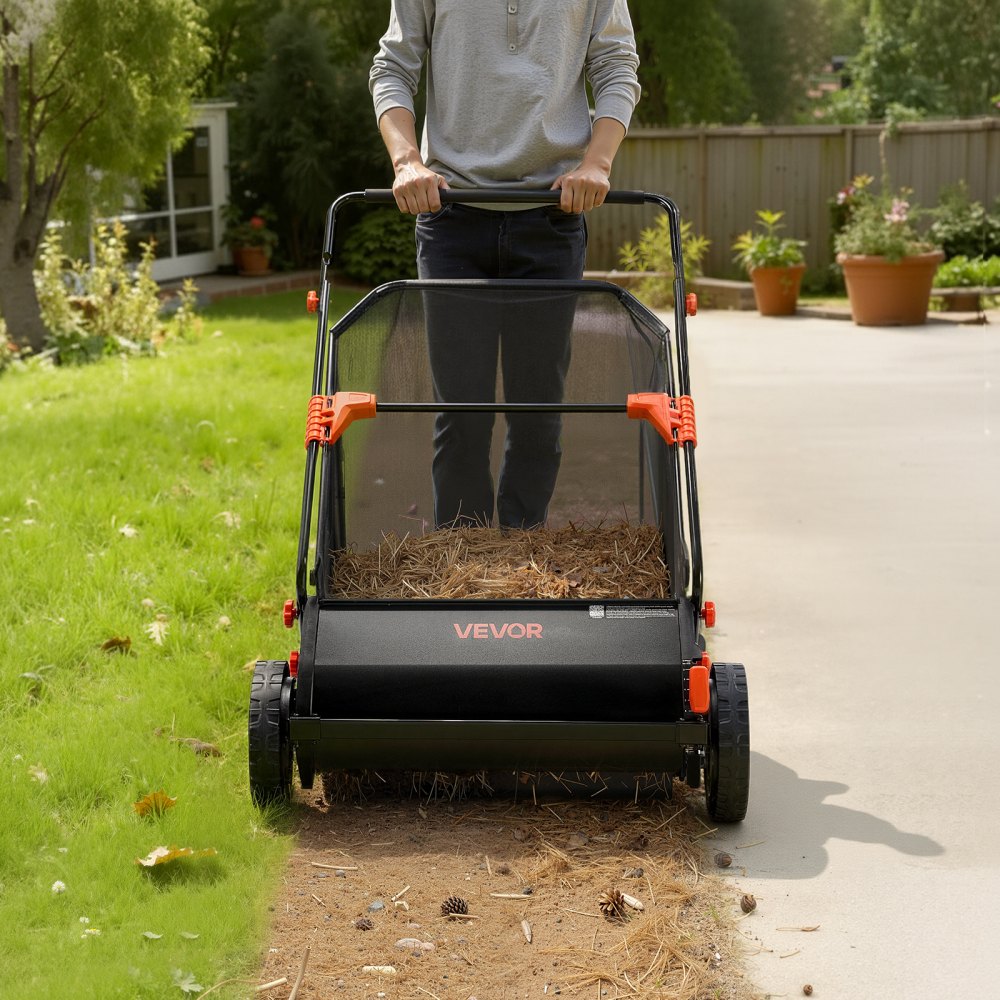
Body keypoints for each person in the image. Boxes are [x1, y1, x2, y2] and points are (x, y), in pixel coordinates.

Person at [370, 0, 640, 529]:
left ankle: (523, 557)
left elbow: (616, 65)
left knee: (538, 414)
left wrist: (597, 162)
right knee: (461, 414)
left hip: (551, 216)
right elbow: (393, 66)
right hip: (451, 216)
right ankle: (462, 567)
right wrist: (407, 163)